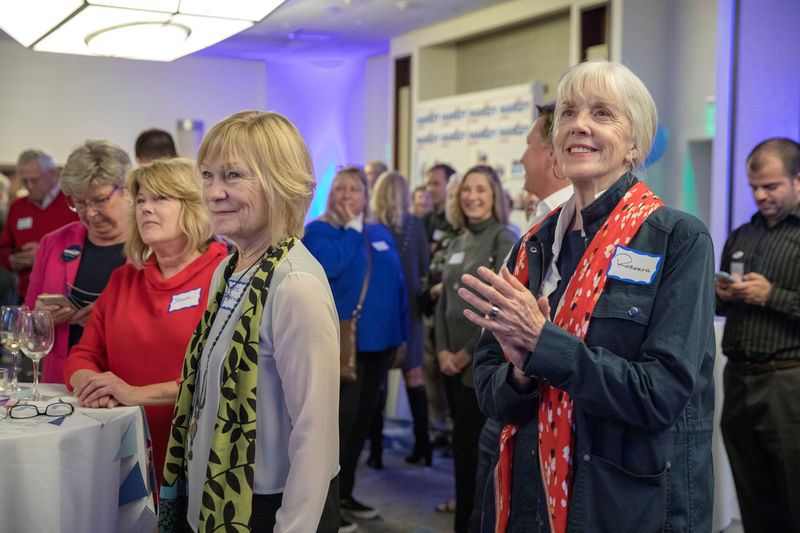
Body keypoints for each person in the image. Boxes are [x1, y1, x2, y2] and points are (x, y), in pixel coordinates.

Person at [462, 59, 715, 532]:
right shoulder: (532, 247)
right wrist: (519, 373)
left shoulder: (678, 239)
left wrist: (543, 346)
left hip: (622, 504)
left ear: (635, 143)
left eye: (602, 113)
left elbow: (660, 396)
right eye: (569, 113)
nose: (580, 124)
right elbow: (491, 392)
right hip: (527, 498)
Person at [157, 112, 339, 532]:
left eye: (233, 175)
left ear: (279, 182)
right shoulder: (230, 269)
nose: (213, 192)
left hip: (266, 508)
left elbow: (317, 436)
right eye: (207, 175)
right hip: (216, 495)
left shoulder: (294, 284)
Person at [63, 157, 227, 490]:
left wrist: (133, 393)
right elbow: (83, 355)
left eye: (161, 198)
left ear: (193, 206)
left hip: (198, 452)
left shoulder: (224, 275)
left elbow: (220, 379)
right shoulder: (123, 279)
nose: (146, 209)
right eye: (141, 200)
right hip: (125, 449)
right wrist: (94, 387)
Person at [303, 166, 406, 530]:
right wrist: (349, 231)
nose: (346, 196)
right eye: (340, 189)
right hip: (341, 346)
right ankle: (327, 506)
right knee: (338, 427)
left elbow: (397, 283)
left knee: (362, 423)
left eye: (354, 190)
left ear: (365, 196)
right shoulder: (317, 232)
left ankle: (345, 494)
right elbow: (330, 266)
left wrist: (402, 335)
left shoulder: (378, 233)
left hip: (380, 345)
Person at [717, 137, 800, 533]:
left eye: (771, 186)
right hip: (737, 382)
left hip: (788, 385)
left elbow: (776, 298)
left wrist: (773, 296)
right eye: (754, 188)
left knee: (793, 496)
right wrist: (721, 295)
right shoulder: (741, 236)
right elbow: (721, 309)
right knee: (753, 499)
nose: (760, 196)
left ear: (798, 180)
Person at [434, 164, 516, 533]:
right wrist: (441, 352)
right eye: (466, 190)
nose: (472, 197)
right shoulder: (456, 242)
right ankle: (464, 517)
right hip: (448, 362)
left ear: (494, 195)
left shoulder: (503, 238)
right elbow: (442, 304)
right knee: (462, 446)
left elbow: (497, 306)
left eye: (480, 189)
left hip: (478, 366)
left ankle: (470, 523)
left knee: (473, 450)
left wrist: (465, 353)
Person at [27, 140, 133, 383]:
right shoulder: (53, 244)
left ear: (127, 190)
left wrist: (109, 316)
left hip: (127, 382)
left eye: (99, 200)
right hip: (64, 385)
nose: (90, 213)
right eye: (80, 203)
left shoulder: (152, 247)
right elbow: (28, 323)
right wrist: (40, 320)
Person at [370, 170, 431, 465]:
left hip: (382, 310)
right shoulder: (416, 225)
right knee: (414, 376)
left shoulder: (373, 228)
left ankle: (377, 454)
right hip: (412, 309)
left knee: (378, 380)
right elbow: (424, 267)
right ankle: (423, 448)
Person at [0, 149, 78, 301]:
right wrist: (11, 260)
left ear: (53, 174)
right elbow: (3, 248)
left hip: (66, 295)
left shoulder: (74, 203)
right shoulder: (17, 207)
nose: (29, 186)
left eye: (34, 180)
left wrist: (45, 255)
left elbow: (84, 248)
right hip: (26, 294)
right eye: (24, 181)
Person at [522, 103, 573, 229]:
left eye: (529, 145)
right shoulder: (543, 213)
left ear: (552, 153)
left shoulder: (575, 219)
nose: (522, 159)